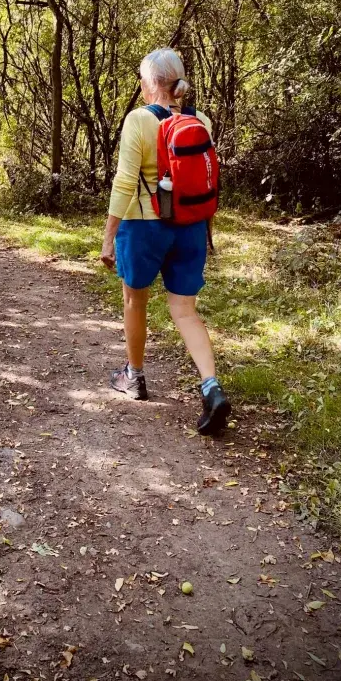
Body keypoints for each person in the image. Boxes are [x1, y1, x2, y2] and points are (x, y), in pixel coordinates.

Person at [100, 47, 231, 436]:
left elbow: (125, 182)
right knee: (186, 312)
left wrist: (108, 238)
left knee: (134, 299)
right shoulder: (200, 120)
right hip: (190, 226)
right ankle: (211, 387)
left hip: (144, 226)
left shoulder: (138, 120)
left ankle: (135, 377)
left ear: (147, 84)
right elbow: (205, 179)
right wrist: (207, 230)